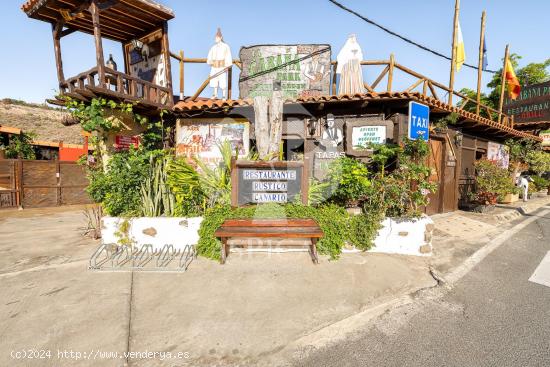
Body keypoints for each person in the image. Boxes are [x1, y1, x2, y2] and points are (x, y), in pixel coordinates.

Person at [207, 28, 232, 100]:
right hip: (214, 66)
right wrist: (210, 62)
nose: (216, 39)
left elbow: (228, 56)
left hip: (222, 66)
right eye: (215, 37)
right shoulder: (213, 47)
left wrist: (227, 65)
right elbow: (209, 56)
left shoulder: (226, 46)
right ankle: (215, 94)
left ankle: (224, 95)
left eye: (217, 37)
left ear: (220, 38)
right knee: (214, 79)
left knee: (222, 80)